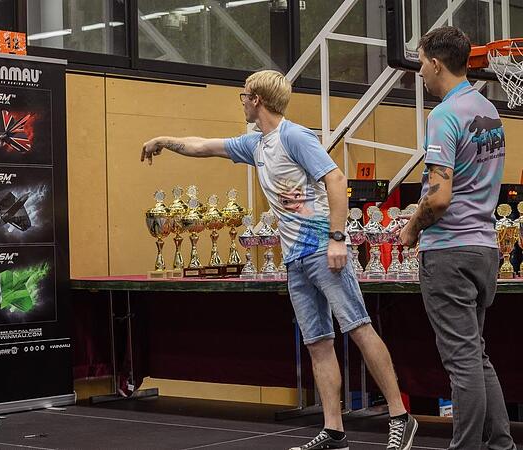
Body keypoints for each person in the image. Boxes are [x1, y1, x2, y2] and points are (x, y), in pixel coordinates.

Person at [141, 70, 417, 450]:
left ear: (256, 99)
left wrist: (338, 239)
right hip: (296, 259)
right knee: (318, 342)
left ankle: (400, 417)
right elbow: (203, 145)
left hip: (322, 248)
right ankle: (334, 430)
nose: (240, 101)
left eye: (243, 96)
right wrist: (163, 141)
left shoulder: (294, 136)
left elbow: (336, 181)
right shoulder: (257, 144)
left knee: (357, 326)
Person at [399, 26, 515, 450]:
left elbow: (440, 197)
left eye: (420, 62)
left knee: (462, 364)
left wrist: (410, 229)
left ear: (436, 62)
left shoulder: (444, 115)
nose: (419, 72)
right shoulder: (487, 109)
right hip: (484, 248)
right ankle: (501, 444)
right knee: (477, 357)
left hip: (450, 252)